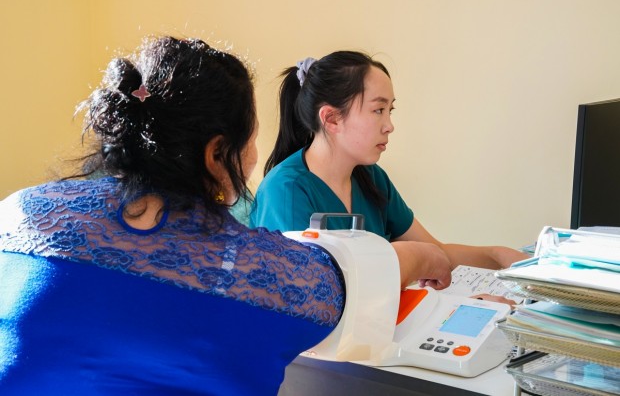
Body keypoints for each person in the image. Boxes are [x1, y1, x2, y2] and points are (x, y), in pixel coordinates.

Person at [0, 36, 345, 395]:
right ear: (216, 153)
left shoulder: (18, 214)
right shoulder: (272, 272)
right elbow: (339, 294)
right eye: (252, 139)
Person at [249, 51, 528, 293]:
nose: (389, 125)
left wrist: (498, 255)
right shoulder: (285, 191)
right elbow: (310, 295)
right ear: (331, 119)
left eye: (390, 110)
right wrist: (408, 258)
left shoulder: (371, 177)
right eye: (378, 110)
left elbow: (437, 251)